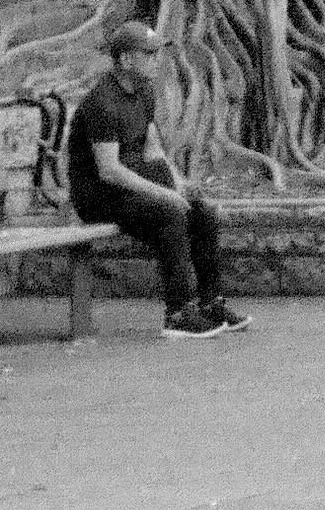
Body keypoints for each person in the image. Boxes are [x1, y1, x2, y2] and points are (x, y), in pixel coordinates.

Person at [65, 21, 248, 338]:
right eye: (148, 54)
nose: (155, 60)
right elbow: (108, 170)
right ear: (125, 60)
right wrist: (163, 196)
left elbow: (151, 147)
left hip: (131, 186)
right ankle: (178, 314)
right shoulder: (102, 104)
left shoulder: (144, 91)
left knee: (200, 211)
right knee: (171, 213)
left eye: (156, 53)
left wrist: (176, 185)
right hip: (99, 196)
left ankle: (210, 304)